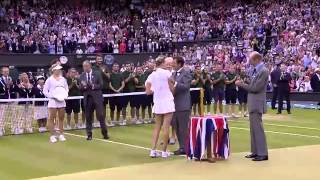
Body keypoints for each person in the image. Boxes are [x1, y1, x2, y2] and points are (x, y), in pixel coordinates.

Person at [235, 51, 268, 161]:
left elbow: (255, 88)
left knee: (258, 129)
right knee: (253, 129)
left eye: (251, 60)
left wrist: (241, 84)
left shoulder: (263, 71)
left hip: (257, 103)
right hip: (253, 102)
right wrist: (246, 81)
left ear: (257, 59)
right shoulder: (256, 71)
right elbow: (253, 84)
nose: (249, 61)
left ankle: (262, 153)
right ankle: (255, 151)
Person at [146, 55, 175, 158]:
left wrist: (156, 89)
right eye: (165, 63)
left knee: (157, 127)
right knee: (166, 127)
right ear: (162, 63)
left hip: (158, 103)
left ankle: (153, 151)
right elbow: (172, 88)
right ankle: (164, 152)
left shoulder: (152, 75)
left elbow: (148, 91)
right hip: (167, 102)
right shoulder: (168, 73)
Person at [79, 61, 109, 140]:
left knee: (101, 116)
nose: (85, 68)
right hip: (88, 99)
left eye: (86, 66)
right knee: (88, 117)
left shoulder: (97, 74)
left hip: (97, 98)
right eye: (84, 66)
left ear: (90, 66)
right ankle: (89, 134)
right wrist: (84, 87)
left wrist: (93, 86)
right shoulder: (81, 76)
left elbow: (101, 85)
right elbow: (80, 88)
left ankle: (105, 133)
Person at [171, 56, 192, 156]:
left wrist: (175, 83)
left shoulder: (186, 73)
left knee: (183, 128)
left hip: (183, 105)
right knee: (177, 127)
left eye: (174, 63)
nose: (172, 64)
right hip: (174, 105)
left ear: (179, 64)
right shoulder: (173, 73)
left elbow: (186, 87)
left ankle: (187, 147)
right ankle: (182, 147)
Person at [43, 64, 69, 143]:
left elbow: (66, 88)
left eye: (59, 69)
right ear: (53, 70)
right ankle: (52, 136)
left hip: (61, 101)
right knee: (52, 119)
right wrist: (52, 96)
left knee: (61, 118)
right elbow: (45, 91)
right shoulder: (49, 80)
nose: (59, 71)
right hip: (53, 101)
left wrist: (64, 95)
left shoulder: (63, 79)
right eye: (57, 69)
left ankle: (61, 134)